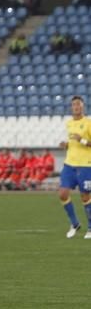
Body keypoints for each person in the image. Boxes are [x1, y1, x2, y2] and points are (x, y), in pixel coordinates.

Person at [58, 96, 91, 239]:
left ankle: (90, 228)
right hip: (69, 164)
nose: (76, 107)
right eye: (74, 104)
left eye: (78, 104)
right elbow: (72, 143)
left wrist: (82, 140)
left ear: (83, 106)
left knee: (85, 196)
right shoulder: (69, 123)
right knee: (63, 193)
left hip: (85, 165)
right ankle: (75, 223)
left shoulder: (88, 123)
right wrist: (66, 145)